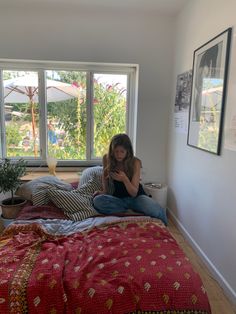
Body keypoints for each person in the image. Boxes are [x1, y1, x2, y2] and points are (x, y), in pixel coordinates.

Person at [93, 133, 167, 225]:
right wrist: (104, 191)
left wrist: (124, 179)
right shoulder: (107, 158)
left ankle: (165, 226)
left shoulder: (135, 162)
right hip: (119, 199)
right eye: (116, 151)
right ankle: (129, 211)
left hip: (137, 198)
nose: (119, 155)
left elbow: (134, 193)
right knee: (97, 201)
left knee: (158, 210)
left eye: (122, 151)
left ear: (128, 151)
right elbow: (104, 176)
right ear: (112, 151)